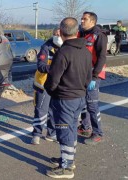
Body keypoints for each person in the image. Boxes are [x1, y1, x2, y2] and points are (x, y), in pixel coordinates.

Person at [44, 17, 92, 179]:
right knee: (71, 129)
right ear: (76, 31)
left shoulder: (63, 52)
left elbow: (52, 80)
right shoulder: (85, 51)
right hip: (79, 98)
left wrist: (51, 91)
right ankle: (68, 159)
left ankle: (67, 168)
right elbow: (88, 76)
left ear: (62, 31)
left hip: (64, 99)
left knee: (64, 131)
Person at [78, 11, 107, 145]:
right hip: (81, 73)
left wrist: (94, 77)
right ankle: (85, 126)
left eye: (85, 19)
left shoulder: (99, 36)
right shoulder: (81, 34)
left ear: (92, 21)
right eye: (82, 19)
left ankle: (97, 133)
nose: (82, 21)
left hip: (93, 73)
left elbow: (102, 57)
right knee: (82, 102)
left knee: (92, 104)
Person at [31, 27, 62, 145]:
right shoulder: (46, 47)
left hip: (57, 85)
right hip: (43, 84)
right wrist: (55, 68)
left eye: (60, 34)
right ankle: (36, 134)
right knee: (41, 110)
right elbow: (41, 66)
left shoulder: (65, 47)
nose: (58, 36)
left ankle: (51, 133)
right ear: (53, 34)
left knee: (54, 111)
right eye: (56, 34)